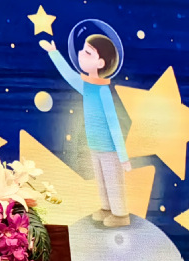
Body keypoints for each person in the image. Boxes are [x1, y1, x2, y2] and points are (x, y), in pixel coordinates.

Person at [40, 19, 131, 227]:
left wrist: (123, 156)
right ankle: (107, 208)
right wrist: (54, 52)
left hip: (109, 148)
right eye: (82, 50)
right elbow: (68, 75)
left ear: (101, 63)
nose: (81, 54)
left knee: (113, 181)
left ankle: (120, 214)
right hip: (94, 145)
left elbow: (114, 124)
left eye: (88, 52)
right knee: (101, 179)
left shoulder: (103, 91)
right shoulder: (87, 85)